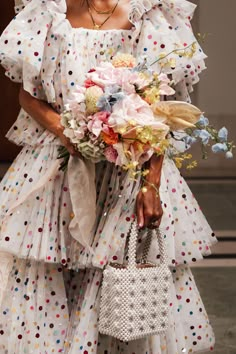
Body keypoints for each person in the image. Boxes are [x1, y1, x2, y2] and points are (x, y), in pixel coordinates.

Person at [0, 0, 216, 352]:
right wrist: (66, 129)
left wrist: (151, 184)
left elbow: (163, 107)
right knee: (49, 273)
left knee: (120, 276)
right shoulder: (46, 10)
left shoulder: (152, 15)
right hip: (59, 168)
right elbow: (28, 95)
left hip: (127, 173)